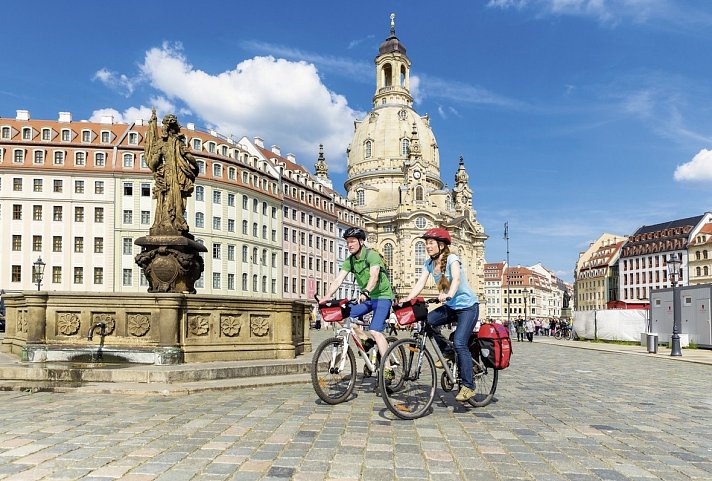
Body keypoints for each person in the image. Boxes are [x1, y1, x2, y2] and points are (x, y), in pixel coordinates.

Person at [400, 227, 480, 403]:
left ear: (441, 245)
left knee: (460, 342)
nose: (427, 246)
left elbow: (457, 279)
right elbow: (420, 283)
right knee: (427, 321)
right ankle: (447, 352)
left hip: (467, 307)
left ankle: (468, 386)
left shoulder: (452, 258)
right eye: (426, 243)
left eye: (430, 243)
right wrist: (407, 299)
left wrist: (450, 293)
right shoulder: (429, 264)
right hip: (451, 307)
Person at [321, 227, 394, 379]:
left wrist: (366, 291)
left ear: (361, 242)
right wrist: (327, 296)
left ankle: (387, 368)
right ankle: (365, 339)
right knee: (339, 315)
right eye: (347, 242)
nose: (349, 245)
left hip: (382, 297)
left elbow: (374, 276)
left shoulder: (372, 256)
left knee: (375, 330)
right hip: (366, 299)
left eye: (352, 241)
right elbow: (338, 279)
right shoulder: (350, 261)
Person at [145, 109, 200, 236]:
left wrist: (157, 165)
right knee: (177, 201)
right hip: (177, 176)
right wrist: (196, 168)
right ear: (174, 128)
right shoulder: (178, 142)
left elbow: (153, 163)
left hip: (166, 176)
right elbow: (189, 156)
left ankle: (167, 222)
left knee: (165, 202)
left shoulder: (160, 144)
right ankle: (176, 222)